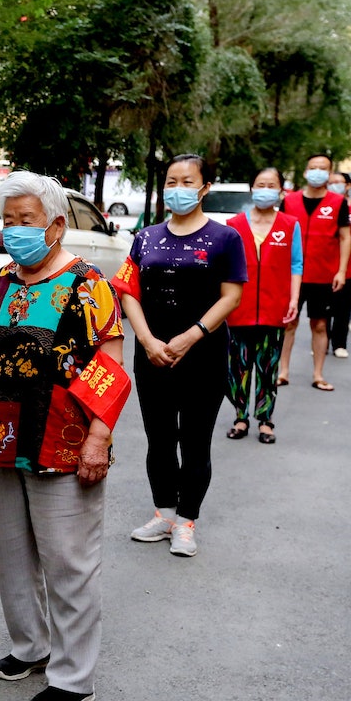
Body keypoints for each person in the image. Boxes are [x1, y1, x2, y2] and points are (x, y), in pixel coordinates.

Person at [0, 171, 127, 701]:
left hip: (63, 443)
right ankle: (31, 646)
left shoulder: (87, 284)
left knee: (68, 561)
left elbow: (112, 367)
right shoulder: (1, 281)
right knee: (8, 551)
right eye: (7, 221)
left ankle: (73, 678)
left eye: (24, 221)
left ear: (54, 225)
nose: (13, 231)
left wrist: (98, 438)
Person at [112, 154, 246, 558]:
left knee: (195, 441)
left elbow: (232, 295)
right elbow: (126, 290)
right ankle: (164, 513)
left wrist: (192, 335)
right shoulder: (146, 237)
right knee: (159, 440)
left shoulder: (225, 239)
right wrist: (148, 340)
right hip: (152, 356)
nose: (178, 189)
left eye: (187, 182)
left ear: (204, 188)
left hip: (203, 357)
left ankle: (187, 521)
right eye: (171, 181)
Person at [224, 168, 303, 444]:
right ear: (251, 188)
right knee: (239, 367)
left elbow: (296, 264)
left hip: (275, 307)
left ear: (281, 190)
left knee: (268, 367)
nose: (265, 189)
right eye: (260, 184)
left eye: (271, 185)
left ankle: (265, 419)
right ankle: (240, 416)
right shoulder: (234, 225)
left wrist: (293, 298)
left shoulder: (290, 224)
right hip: (239, 309)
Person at [278, 153, 350, 390]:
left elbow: (344, 237)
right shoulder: (290, 201)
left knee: (320, 325)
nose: (317, 171)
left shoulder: (338, 203)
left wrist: (341, 271)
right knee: (289, 322)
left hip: (323, 275)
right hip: (292, 275)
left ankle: (318, 374)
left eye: (323, 168)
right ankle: (283, 371)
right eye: (313, 167)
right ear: (306, 171)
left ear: (329, 174)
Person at [325, 171, 351, 358]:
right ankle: (322, 342)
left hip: (347, 267)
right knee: (324, 308)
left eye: (339, 182)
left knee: (343, 307)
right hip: (327, 264)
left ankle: (339, 343)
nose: (335, 185)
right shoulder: (325, 207)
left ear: (347, 186)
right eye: (331, 182)